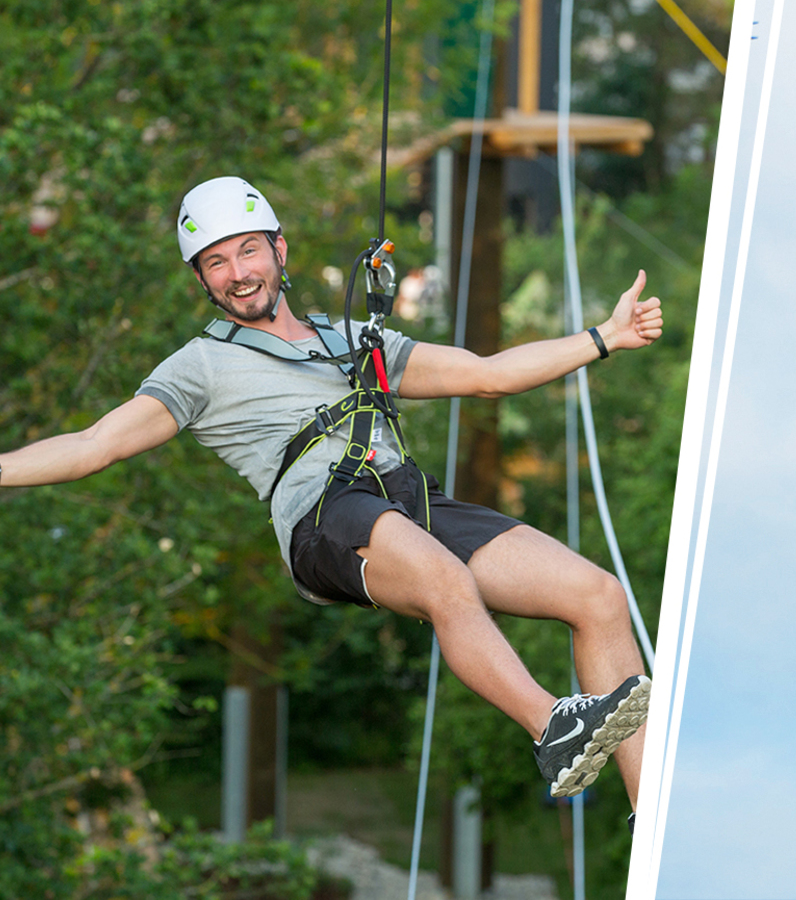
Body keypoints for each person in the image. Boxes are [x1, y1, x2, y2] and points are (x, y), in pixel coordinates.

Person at [0, 177, 658, 809]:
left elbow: (488, 375)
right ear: (201, 279)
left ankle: (650, 808)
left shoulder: (352, 340)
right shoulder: (198, 367)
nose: (238, 272)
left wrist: (605, 338)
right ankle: (551, 727)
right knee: (441, 575)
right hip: (324, 515)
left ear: (279, 250)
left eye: (248, 249)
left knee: (596, 595)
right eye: (216, 262)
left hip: (405, 497)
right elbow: (93, 445)